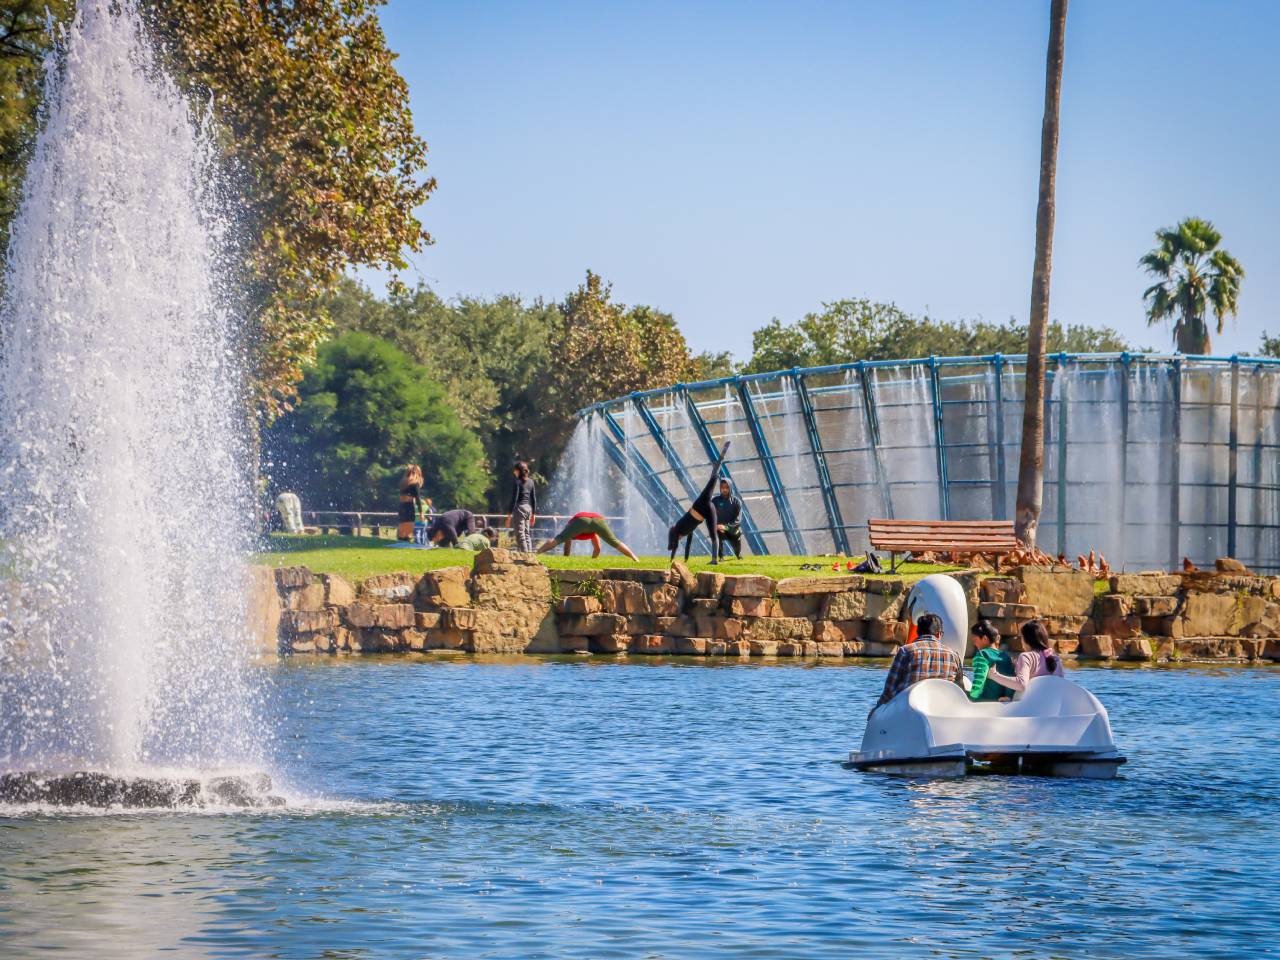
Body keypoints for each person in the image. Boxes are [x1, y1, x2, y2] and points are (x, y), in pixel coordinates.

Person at [873, 612, 964, 711]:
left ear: (918, 632)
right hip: (942, 710)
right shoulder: (954, 656)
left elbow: (889, 690)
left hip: (907, 710)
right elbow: (960, 690)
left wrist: (877, 709)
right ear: (938, 634)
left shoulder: (905, 651)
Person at [667, 440, 730, 564]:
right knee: (713, 534)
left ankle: (721, 457)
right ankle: (714, 560)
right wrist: (684, 559)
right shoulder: (686, 532)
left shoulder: (679, 528)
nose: (680, 539)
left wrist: (672, 557)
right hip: (707, 510)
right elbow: (688, 544)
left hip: (700, 505)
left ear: (675, 537)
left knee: (713, 478)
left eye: (677, 539)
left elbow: (673, 544)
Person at [988, 620, 1065, 694]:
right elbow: (1058, 686)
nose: (1021, 640)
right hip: (1050, 704)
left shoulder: (1026, 656)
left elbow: (1021, 685)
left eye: (1021, 637)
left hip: (1031, 704)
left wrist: (994, 676)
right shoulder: (1055, 658)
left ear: (1027, 639)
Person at [538, 511, 638, 560]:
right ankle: (634, 558)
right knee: (614, 541)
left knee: (559, 538)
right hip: (598, 520)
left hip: (581, 519)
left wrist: (566, 559)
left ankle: (537, 553)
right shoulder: (593, 533)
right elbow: (597, 549)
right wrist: (593, 561)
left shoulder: (571, 528)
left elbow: (567, 546)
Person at [968, 619, 1014, 702]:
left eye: (975, 640)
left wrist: (971, 699)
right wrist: (1008, 696)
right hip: (1002, 702)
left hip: (984, 701)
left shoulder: (982, 655)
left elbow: (979, 681)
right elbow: (1012, 679)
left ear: (985, 638)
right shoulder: (1006, 656)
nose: (974, 643)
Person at [506, 461, 537, 553]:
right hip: (528, 508)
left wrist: (509, 516)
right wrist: (533, 514)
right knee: (526, 533)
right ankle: (529, 555)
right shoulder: (531, 482)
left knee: (520, 534)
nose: (514, 472)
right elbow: (533, 498)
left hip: (520, 508)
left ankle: (525, 555)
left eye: (515, 471)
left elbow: (514, 499)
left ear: (518, 471)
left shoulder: (517, 482)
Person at [711, 478, 743, 560]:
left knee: (737, 538)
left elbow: (738, 520)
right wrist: (716, 526)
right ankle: (721, 557)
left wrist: (726, 527)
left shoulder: (736, 502)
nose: (724, 490)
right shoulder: (715, 501)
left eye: (727, 487)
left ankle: (738, 554)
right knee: (716, 533)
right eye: (722, 487)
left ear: (730, 488)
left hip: (732, 529)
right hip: (719, 529)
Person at [397, 465, 424, 541]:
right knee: (409, 531)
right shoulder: (415, 483)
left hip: (401, 506)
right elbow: (418, 498)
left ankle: (401, 543)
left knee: (402, 530)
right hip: (408, 507)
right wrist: (421, 513)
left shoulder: (404, 483)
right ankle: (405, 542)